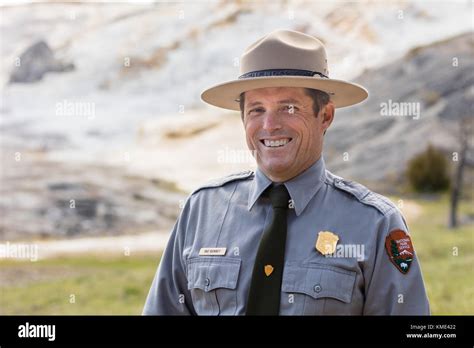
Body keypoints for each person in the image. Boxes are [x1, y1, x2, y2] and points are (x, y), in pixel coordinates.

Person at [143, 29, 430, 315]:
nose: (270, 125)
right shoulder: (201, 211)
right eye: (256, 110)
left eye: (289, 108)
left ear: (325, 116)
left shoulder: (375, 223)